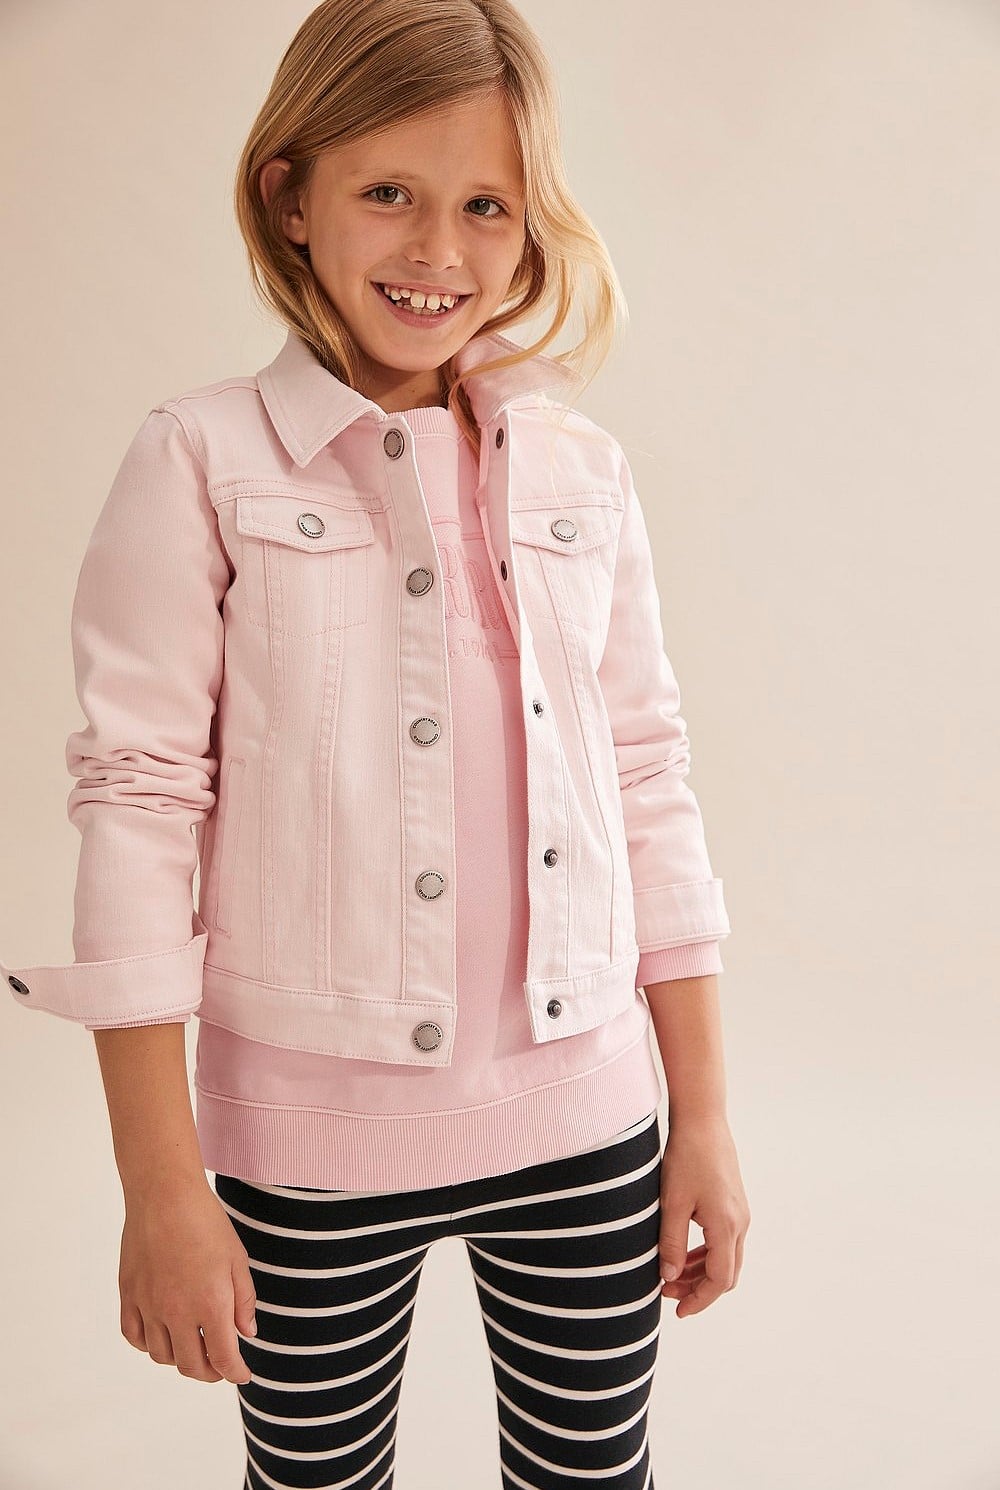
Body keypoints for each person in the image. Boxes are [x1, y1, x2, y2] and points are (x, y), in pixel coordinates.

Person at [2, 1, 751, 1485]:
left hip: (588, 1122)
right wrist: (162, 1185)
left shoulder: (582, 472)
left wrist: (708, 1115)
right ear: (291, 195)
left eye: (487, 206)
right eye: (389, 191)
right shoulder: (200, 458)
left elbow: (646, 777)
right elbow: (139, 805)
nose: (438, 250)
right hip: (306, 1152)